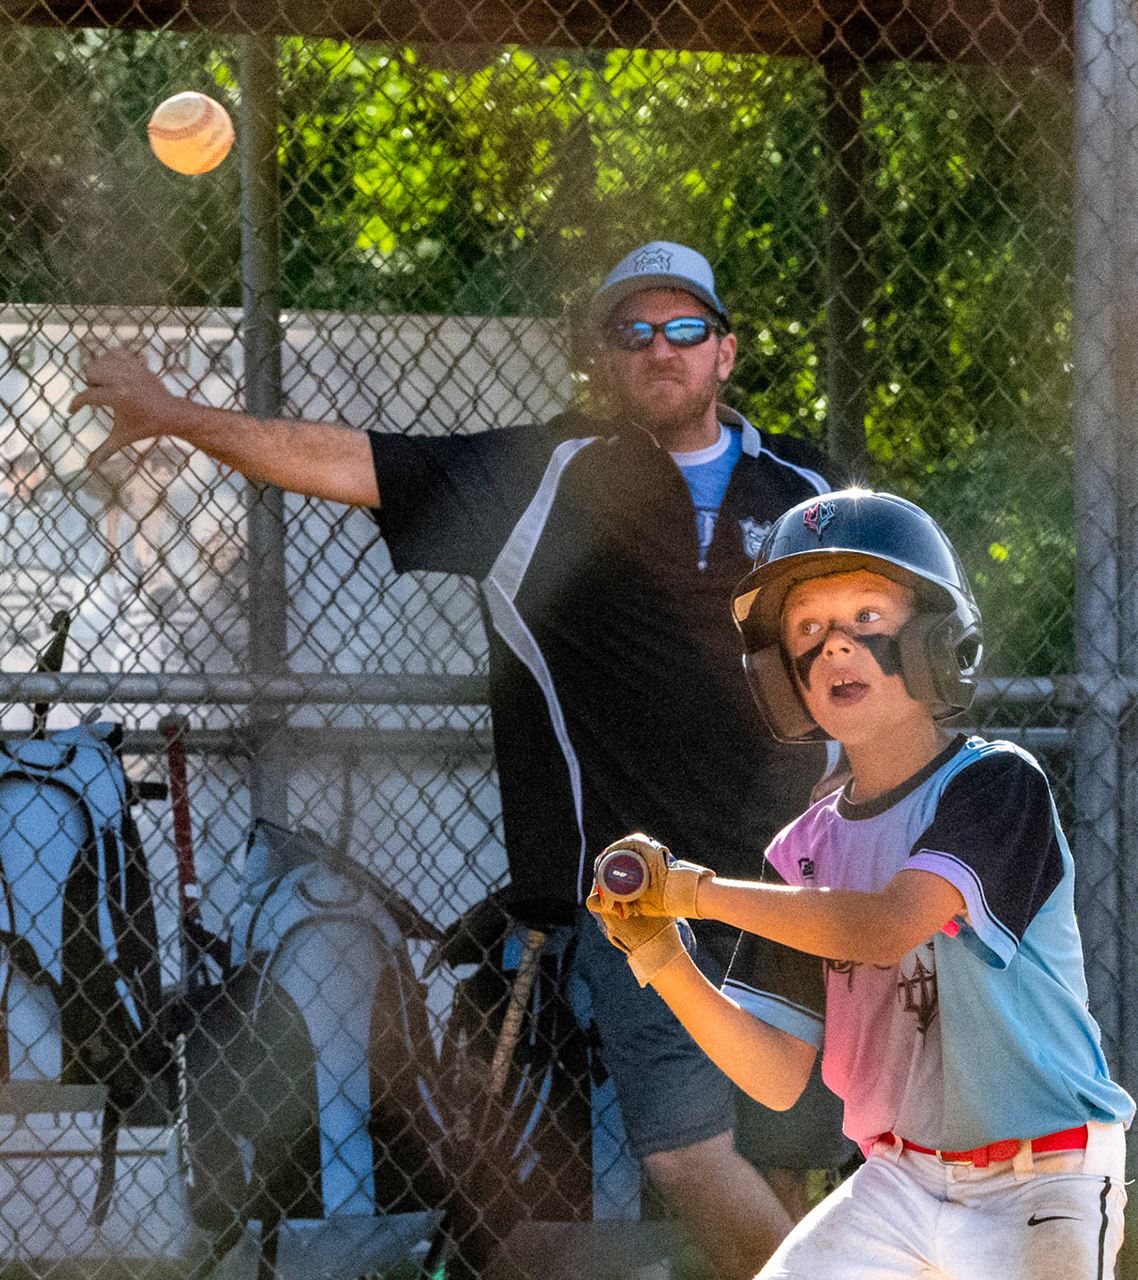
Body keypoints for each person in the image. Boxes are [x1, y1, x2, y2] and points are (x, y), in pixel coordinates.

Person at [69, 242, 845, 1276]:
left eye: (685, 329)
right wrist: (176, 414)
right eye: (633, 332)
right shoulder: (543, 479)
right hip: (647, 895)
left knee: (785, 1163)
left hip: (804, 880)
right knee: (690, 1156)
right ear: (605, 361)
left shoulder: (809, 489)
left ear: (726, 352)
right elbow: (344, 457)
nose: (661, 350)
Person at [587, 489, 1136, 1280]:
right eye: (808, 629)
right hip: (896, 1182)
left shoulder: (994, 786)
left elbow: (884, 927)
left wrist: (695, 893)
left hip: (1042, 1178)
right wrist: (664, 956)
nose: (836, 648)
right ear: (782, 672)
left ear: (941, 643)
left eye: (868, 619)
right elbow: (775, 1075)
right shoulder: (801, 851)